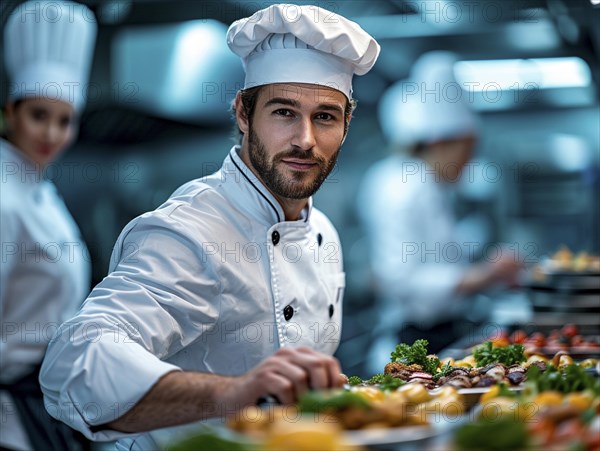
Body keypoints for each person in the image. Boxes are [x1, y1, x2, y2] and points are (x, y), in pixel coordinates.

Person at [39, 4, 380, 449]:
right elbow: (75, 362)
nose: (305, 140)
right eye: (283, 112)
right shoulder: (189, 233)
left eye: (325, 117)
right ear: (243, 113)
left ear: (346, 125)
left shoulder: (324, 233)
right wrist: (234, 394)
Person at [357, 51, 522, 371]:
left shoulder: (431, 186)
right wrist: (485, 275)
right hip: (409, 352)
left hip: (443, 338)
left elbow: (435, 256)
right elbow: (398, 279)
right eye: (467, 151)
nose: (469, 162)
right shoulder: (401, 186)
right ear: (440, 143)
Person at [0, 2, 97, 450]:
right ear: (10, 111)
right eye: (40, 115)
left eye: (65, 120)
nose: (53, 134)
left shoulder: (43, 192)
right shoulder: (4, 199)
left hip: (46, 410)